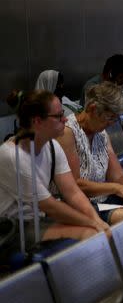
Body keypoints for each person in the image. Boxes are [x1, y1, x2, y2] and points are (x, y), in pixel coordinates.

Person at [0, 90, 108, 242]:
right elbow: (49, 205)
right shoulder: (11, 155)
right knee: (90, 234)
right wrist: (92, 223)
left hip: (40, 219)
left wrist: (96, 220)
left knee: (95, 230)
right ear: (37, 121)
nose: (65, 119)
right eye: (58, 116)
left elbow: (72, 192)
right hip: (12, 229)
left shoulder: (51, 146)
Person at [58, 82, 123, 225]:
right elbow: (75, 185)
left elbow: (118, 175)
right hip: (80, 204)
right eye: (110, 117)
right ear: (93, 109)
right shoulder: (68, 133)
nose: (112, 123)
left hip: (104, 198)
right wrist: (116, 188)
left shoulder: (102, 134)